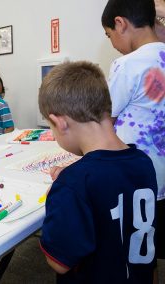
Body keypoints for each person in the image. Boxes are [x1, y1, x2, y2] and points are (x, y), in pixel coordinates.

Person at [39, 61, 157, 283]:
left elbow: (59, 263)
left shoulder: (73, 184)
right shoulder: (143, 162)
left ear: (59, 122)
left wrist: (59, 196)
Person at [102, 0, 165, 260]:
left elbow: (104, 120)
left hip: (136, 180)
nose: (113, 44)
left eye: (109, 36)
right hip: (162, 178)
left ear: (120, 23)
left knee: (137, 255)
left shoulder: (126, 64)